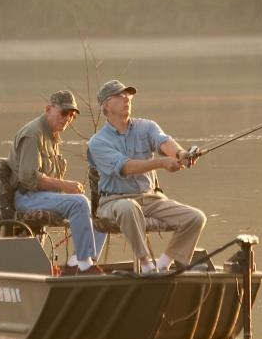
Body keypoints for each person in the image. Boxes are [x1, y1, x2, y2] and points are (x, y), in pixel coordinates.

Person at [87, 80, 206, 274]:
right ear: (106, 105)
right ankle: (146, 264)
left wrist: (181, 155)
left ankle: (164, 264)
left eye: (129, 96)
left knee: (195, 217)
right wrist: (162, 163)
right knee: (128, 207)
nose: (127, 99)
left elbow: (164, 142)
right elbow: (125, 167)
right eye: (120, 96)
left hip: (150, 199)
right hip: (114, 202)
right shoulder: (98, 142)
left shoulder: (146, 126)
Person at [7, 90, 103, 275]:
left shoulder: (52, 135)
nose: (68, 118)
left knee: (99, 212)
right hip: (26, 197)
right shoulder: (33, 134)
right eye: (64, 112)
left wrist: (62, 189)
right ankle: (85, 265)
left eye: (72, 115)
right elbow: (28, 178)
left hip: (43, 196)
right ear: (49, 109)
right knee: (80, 202)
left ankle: (77, 261)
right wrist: (65, 186)